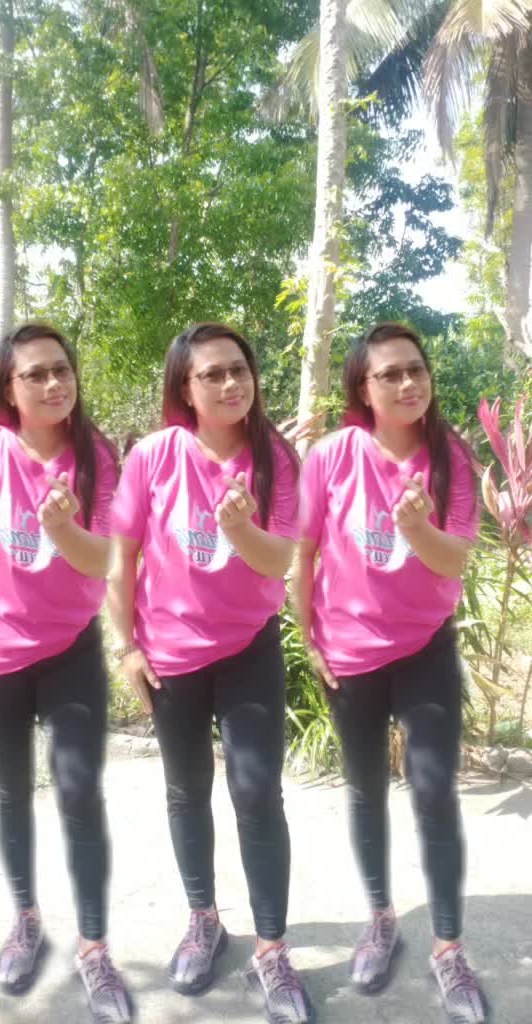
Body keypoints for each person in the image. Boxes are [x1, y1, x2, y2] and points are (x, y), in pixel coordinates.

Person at [109, 322, 313, 1024]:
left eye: (239, 369)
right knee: (186, 789)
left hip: (248, 647)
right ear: (185, 389)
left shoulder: (275, 458)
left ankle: (272, 949)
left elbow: (278, 560)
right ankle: (204, 921)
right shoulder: (154, 456)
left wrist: (239, 528)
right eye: (212, 374)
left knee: (257, 793)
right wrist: (127, 648)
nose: (231, 383)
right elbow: (122, 555)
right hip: (169, 655)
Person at [293, 323, 487, 1024]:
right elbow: (304, 551)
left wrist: (415, 530)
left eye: (416, 369)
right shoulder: (331, 457)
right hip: (348, 653)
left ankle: (448, 948)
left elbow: (454, 559)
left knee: (434, 792)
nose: (409, 383)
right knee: (366, 789)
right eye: (390, 374)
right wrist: (310, 638)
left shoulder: (450, 457)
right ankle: (380, 918)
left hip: (425, 646)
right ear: (362, 389)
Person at [0, 322, 132, 1023]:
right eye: (36, 374)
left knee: (80, 791)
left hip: (70, 652)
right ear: (9, 387)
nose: (55, 383)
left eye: (63, 369)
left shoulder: (97, 459)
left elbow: (106, 560)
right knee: (10, 792)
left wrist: (63, 528)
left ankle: (94, 948)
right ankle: (25, 919)